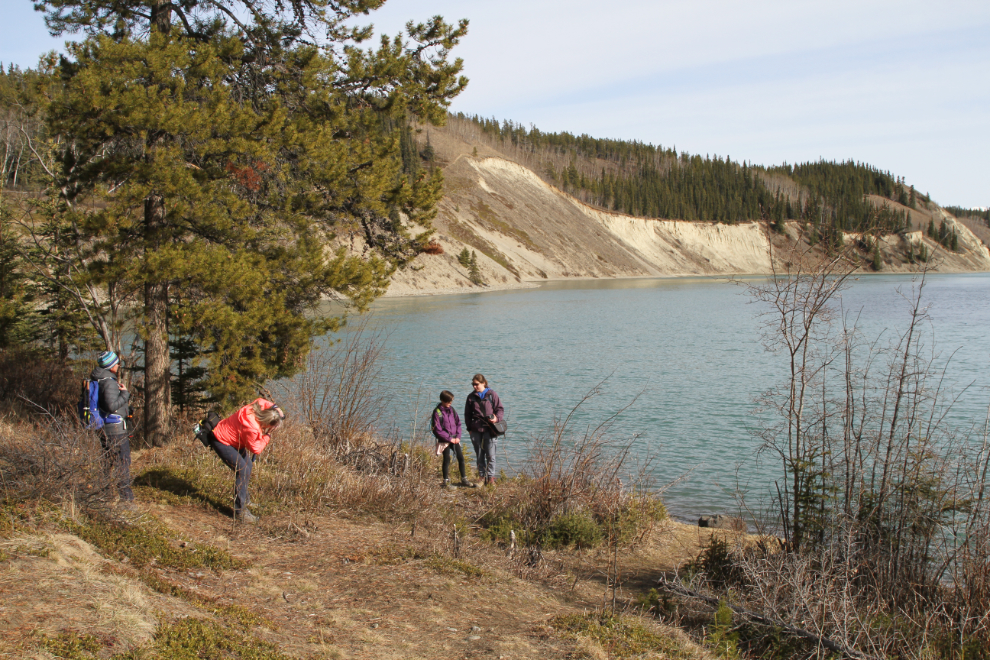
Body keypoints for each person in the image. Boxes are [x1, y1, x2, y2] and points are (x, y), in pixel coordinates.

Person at [207, 398, 284, 523]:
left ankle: (245, 500)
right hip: (221, 440)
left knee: (248, 466)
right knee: (242, 470)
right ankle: (240, 511)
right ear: (267, 423)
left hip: (233, 440)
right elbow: (256, 449)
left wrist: (275, 407)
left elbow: (261, 401)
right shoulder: (252, 428)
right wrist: (268, 435)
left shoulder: (252, 409)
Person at [91, 350, 134, 507]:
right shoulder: (108, 381)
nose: (118, 365)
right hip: (115, 429)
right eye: (116, 363)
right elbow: (110, 405)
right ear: (110, 365)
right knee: (122, 462)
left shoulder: (100, 378)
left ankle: (105, 494)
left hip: (106, 428)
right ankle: (126, 500)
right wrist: (125, 395)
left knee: (108, 461)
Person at [464, 373, 504, 486]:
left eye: (476, 384)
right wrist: (469, 429)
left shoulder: (492, 395)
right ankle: (481, 476)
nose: (474, 386)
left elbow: (500, 409)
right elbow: (467, 414)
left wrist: (496, 418)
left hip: (490, 429)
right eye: (473, 384)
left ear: (483, 383)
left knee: (491, 455)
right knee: (479, 454)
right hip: (476, 429)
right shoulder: (470, 397)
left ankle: (490, 477)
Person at [431, 390, 476, 489]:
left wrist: (458, 437)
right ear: (443, 400)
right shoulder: (437, 412)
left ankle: (464, 479)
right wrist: (449, 439)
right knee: (446, 459)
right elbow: (437, 429)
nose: (450, 403)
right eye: (448, 402)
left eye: (451, 402)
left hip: (455, 439)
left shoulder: (452, 410)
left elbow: (458, 424)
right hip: (445, 440)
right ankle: (445, 481)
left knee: (461, 458)